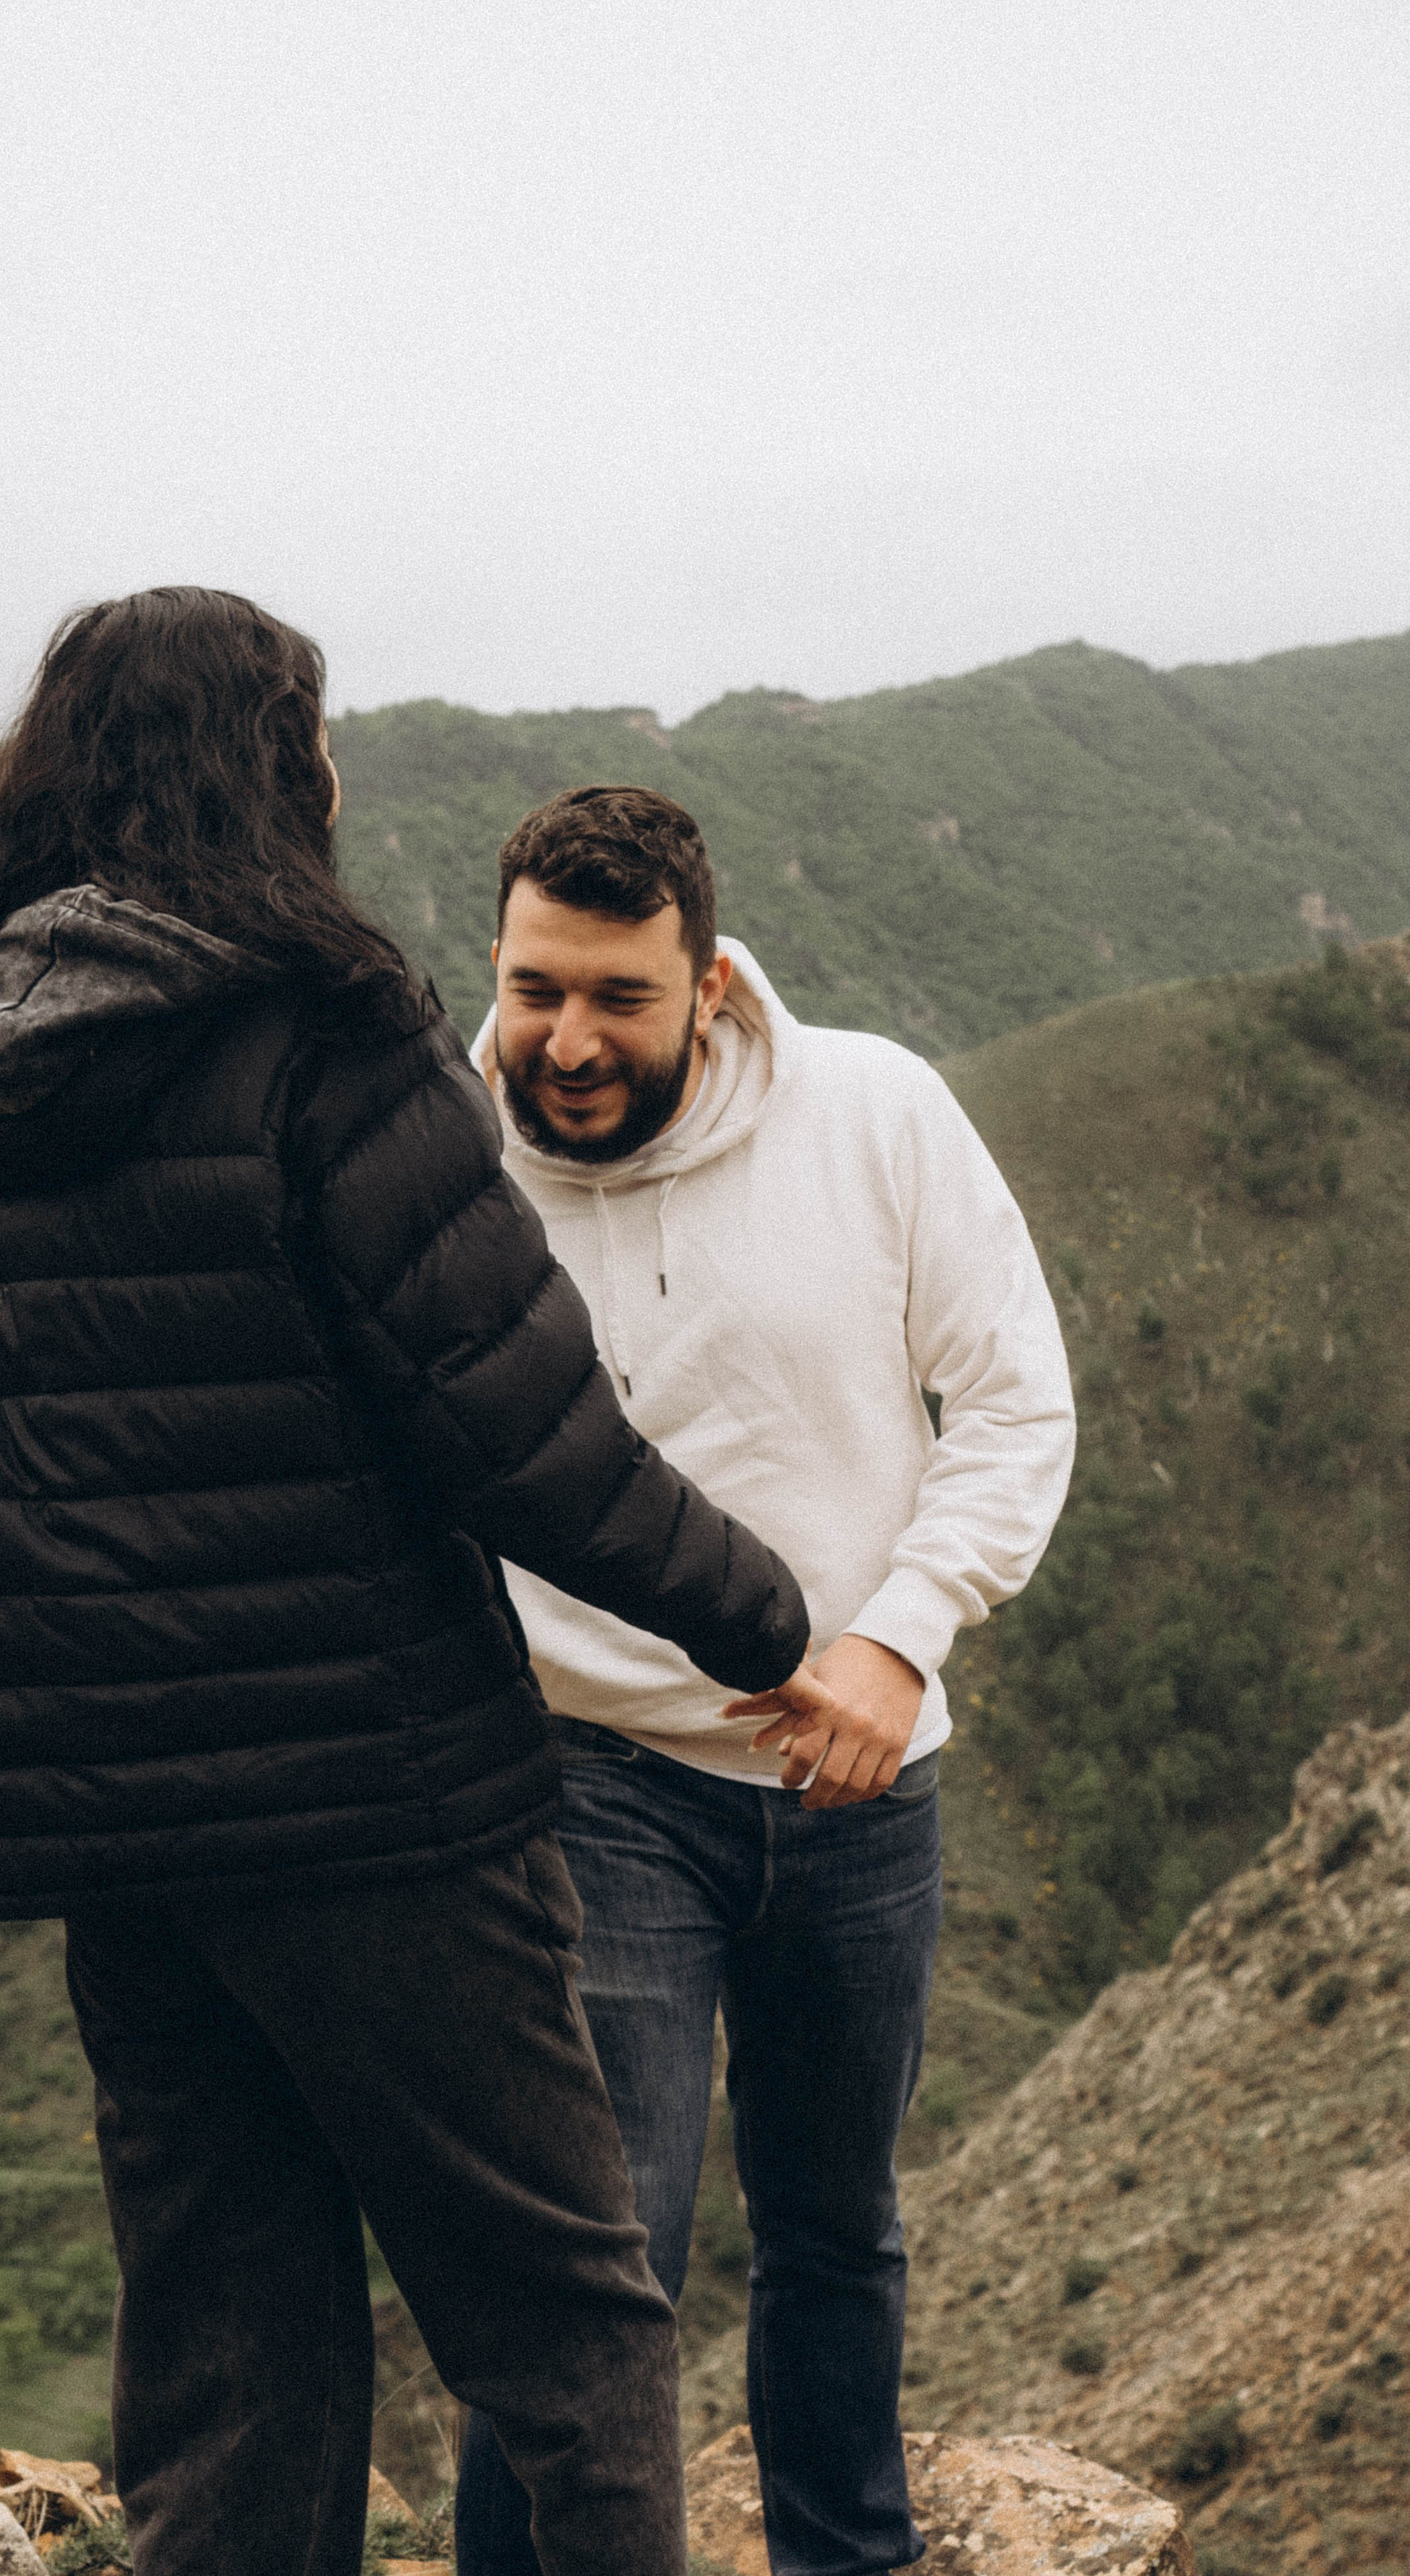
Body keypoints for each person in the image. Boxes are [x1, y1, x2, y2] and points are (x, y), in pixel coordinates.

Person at [0, 597, 834, 2576]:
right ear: (279, 771)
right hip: (378, 1802)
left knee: (231, 2343)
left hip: (116, 1821)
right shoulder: (327, 1035)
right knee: (565, 2320)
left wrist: (43, 1501)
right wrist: (768, 1622)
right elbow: (524, 1435)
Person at [455, 786, 1077, 2576]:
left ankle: (843, 2556)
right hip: (590, 1773)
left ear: (710, 984)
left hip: (867, 1780)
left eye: (618, 1000)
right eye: (532, 989)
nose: (566, 1041)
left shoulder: (875, 1112)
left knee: (836, 2227)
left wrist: (897, 1637)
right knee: (601, 2246)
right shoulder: (449, 1165)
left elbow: (1016, 1398)